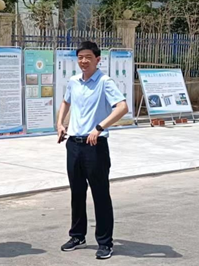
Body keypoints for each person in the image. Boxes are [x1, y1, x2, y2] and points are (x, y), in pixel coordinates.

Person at [56, 41, 128, 260]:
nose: (83, 61)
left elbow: (122, 107)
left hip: (95, 146)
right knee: (77, 192)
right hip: (73, 144)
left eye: (88, 57)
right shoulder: (73, 81)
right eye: (80, 57)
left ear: (98, 59)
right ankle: (77, 236)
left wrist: (100, 127)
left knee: (100, 194)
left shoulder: (105, 82)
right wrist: (60, 124)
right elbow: (66, 102)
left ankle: (105, 242)